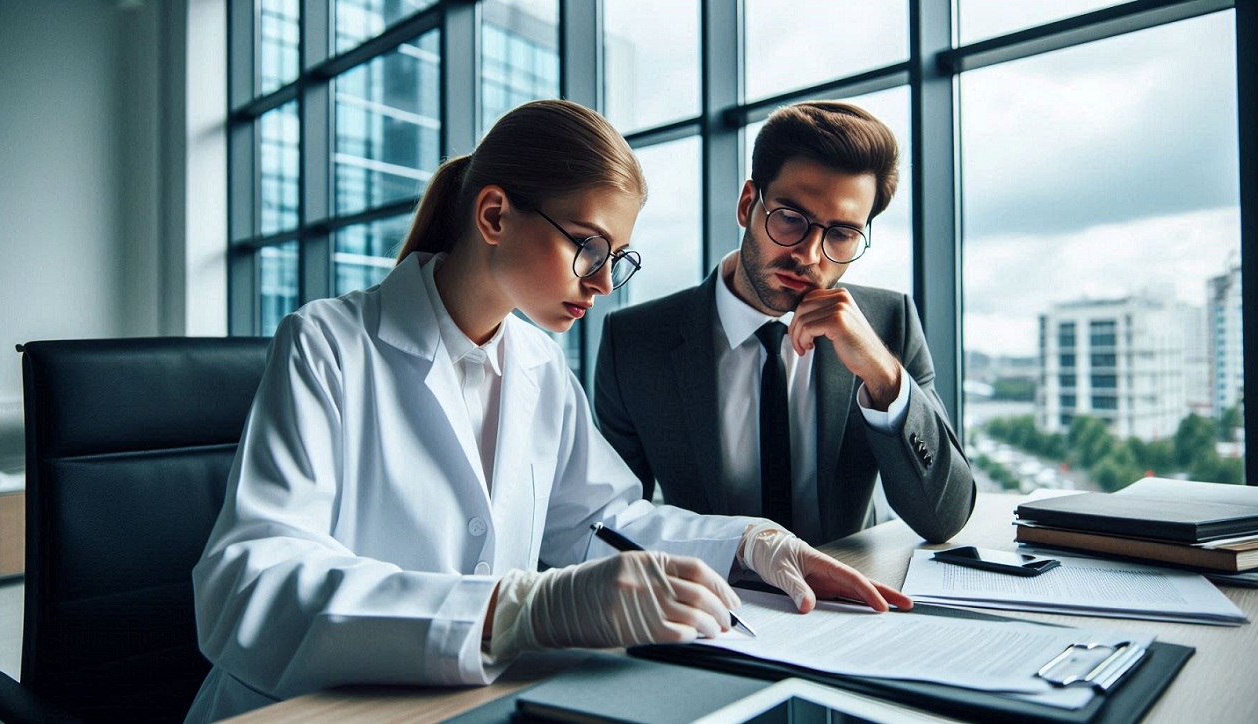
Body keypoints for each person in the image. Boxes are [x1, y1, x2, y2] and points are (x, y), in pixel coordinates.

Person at [185, 100, 911, 723]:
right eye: (587, 247)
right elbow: (247, 584)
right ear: (494, 214)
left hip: (470, 701)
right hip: (305, 706)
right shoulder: (328, 343)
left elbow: (603, 523)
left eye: (617, 258)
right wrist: (517, 610)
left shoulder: (536, 364)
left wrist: (752, 543)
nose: (601, 283)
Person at [594, 101, 975, 547]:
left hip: (849, 604)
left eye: (841, 234)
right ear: (746, 205)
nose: (809, 255)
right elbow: (612, 523)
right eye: (791, 219)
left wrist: (883, 375)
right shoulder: (636, 342)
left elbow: (945, 518)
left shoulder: (890, 325)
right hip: (714, 604)